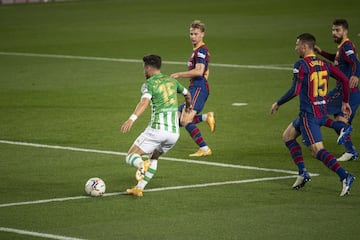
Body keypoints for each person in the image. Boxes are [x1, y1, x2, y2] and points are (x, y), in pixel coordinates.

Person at [271, 33, 355, 196]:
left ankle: (345, 176)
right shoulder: (324, 63)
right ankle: (303, 173)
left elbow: (295, 91)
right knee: (288, 136)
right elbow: (345, 80)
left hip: (309, 114)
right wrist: (345, 101)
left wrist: (278, 102)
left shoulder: (301, 65)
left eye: (297, 45)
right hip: (320, 109)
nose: (295, 48)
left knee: (317, 151)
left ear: (304, 46)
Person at [121, 54, 192, 197]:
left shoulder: (149, 84)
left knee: (130, 156)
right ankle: (139, 188)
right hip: (174, 134)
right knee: (153, 158)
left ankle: (141, 165)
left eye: (144, 68)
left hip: (157, 130)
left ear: (148, 68)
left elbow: (144, 102)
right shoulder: (172, 81)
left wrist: (132, 119)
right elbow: (187, 94)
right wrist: (188, 107)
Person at [315, 18, 360, 161]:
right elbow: (337, 59)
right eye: (333, 30)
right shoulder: (343, 47)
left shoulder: (346, 46)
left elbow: (355, 62)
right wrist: (321, 51)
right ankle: (350, 151)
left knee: (318, 108)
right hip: (352, 93)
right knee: (340, 121)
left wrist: (356, 75)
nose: (334, 33)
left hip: (344, 91)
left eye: (337, 30)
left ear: (345, 31)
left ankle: (305, 135)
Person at [171, 20, 215, 157]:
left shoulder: (201, 51)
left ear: (202, 34)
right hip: (195, 88)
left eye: (196, 34)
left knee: (185, 120)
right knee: (175, 118)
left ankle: (204, 148)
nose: (193, 37)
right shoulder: (197, 51)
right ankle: (205, 117)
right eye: (191, 34)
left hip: (198, 88)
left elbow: (199, 71)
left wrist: (179, 74)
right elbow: (205, 70)